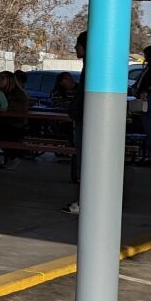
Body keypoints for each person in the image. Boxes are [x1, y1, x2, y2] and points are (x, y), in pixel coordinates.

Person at [64, 30, 87, 213]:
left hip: (83, 119)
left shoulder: (91, 68)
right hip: (83, 117)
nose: (74, 48)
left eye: (77, 44)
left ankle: (84, 201)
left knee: (83, 157)